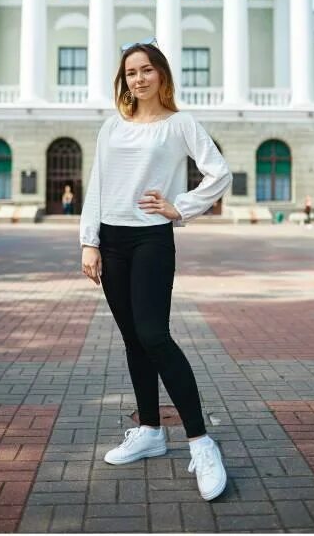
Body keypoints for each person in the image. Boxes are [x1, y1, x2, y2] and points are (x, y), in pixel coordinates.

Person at [78, 40, 232, 502]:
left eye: (147, 70)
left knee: (154, 336)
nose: (139, 79)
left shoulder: (180, 124)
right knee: (132, 340)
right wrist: (89, 241)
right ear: (123, 80)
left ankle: (201, 443)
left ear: (161, 75)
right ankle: (148, 431)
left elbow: (218, 173)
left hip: (151, 239)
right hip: (111, 240)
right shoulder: (111, 126)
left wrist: (178, 208)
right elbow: (97, 184)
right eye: (130, 73)